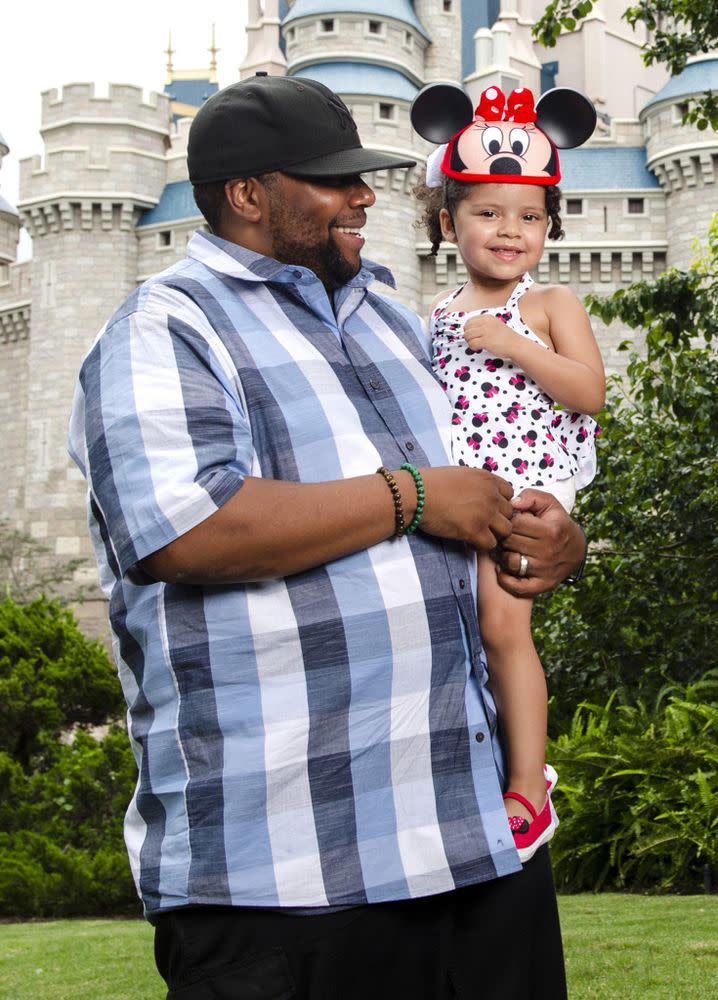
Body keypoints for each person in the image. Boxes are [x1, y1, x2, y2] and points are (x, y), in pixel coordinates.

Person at [68, 73, 588, 999]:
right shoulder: (163, 330)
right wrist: (412, 496)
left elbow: (481, 492)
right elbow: (183, 531)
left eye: (362, 176)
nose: (363, 197)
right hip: (288, 881)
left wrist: (550, 541)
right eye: (331, 180)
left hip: (473, 852)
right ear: (246, 195)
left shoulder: (397, 325)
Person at [413, 84, 605, 862]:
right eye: (488, 212)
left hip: (528, 484)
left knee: (502, 625)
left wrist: (516, 341)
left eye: (529, 216)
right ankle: (471, 769)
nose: (510, 230)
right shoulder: (436, 312)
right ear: (446, 219)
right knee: (454, 632)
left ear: (550, 226)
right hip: (462, 487)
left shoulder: (551, 301)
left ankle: (530, 787)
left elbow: (589, 392)